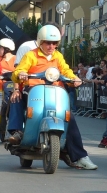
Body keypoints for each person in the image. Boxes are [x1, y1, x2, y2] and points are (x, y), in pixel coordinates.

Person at [8, 25, 98, 170]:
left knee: (69, 118)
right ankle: (17, 131)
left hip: (55, 90)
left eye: (54, 43)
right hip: (33, 89)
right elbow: (18, 69)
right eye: (48, 43)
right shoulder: (31, 55)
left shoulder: (58, 56)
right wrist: (21, 73)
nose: (51, 46)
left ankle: (80, 156)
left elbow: (66, 70)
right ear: (40, 42)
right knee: (16, 99)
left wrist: (74, 78)